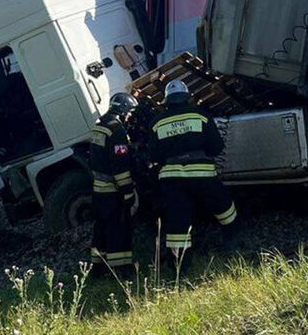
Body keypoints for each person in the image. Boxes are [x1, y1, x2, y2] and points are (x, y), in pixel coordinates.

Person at [146, 79, 236, 269]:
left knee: (178, 219)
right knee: (223, 205)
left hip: (173, 180)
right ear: (187, 98)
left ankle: (179, 265)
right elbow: (217, 147)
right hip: (202, 176)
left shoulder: (157, 123)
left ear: (167, 101)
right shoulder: (200, 116)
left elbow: (153, 155)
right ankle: (232, 241)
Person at [89, 91, 140, 277]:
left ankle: (98, 267)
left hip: (98, 190)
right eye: (130, 113)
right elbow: (119, 167)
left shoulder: (99, 126)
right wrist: (128, 192)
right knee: (118, 228)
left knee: (101, 229)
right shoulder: (116, 130)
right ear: (124, 110)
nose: (130, 117)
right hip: (112, 191)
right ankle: (122, 269)